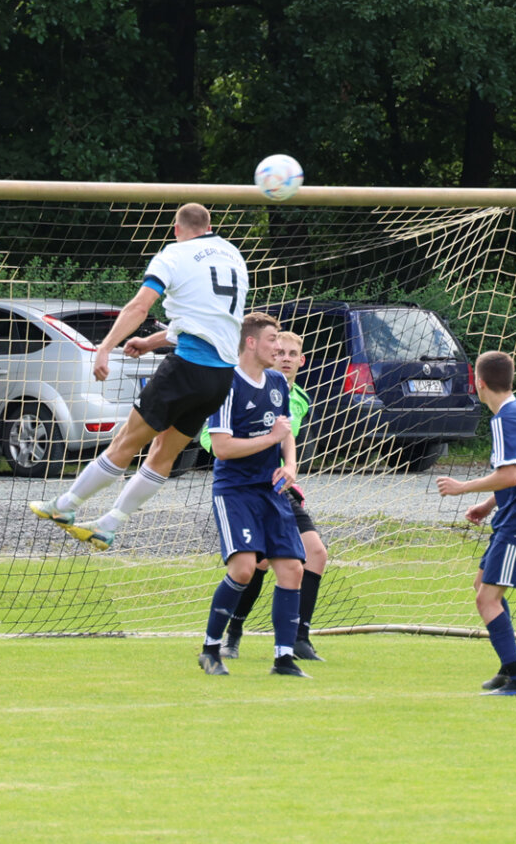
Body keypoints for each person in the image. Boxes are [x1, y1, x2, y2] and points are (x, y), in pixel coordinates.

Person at [30, 203, 246, 550]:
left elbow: (138, 307)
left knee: (126, 443)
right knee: (163, 453)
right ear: (209, 226)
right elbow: (205, 321)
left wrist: (104, 348)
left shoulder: (173, 254)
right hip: (220, 377)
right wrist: (149, 342)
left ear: (177, 228)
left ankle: (65, 507)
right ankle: (109, 524)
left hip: (186, 367)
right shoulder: (232, 255)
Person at [187, 330, 328, 661]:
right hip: (241, 486)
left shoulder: (294, 394)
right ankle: (229, 636)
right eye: (279, 349)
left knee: (311, 556)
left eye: (293, 352)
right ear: (255, 345)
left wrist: (290, 465)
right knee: (252, 565)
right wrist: (265, 443)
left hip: (279, 487)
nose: (285, 355)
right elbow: (216, 443)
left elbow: (286, 433)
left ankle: (296, 641)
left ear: (301, 360)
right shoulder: (231, 386)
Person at [436, 350, 516, 697]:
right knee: (482, 587)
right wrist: (488, 504)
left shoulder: (506, 418)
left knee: (487, 600)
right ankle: (508, 668)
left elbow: (510, 474)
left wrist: (463, 488)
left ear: (479, 382)